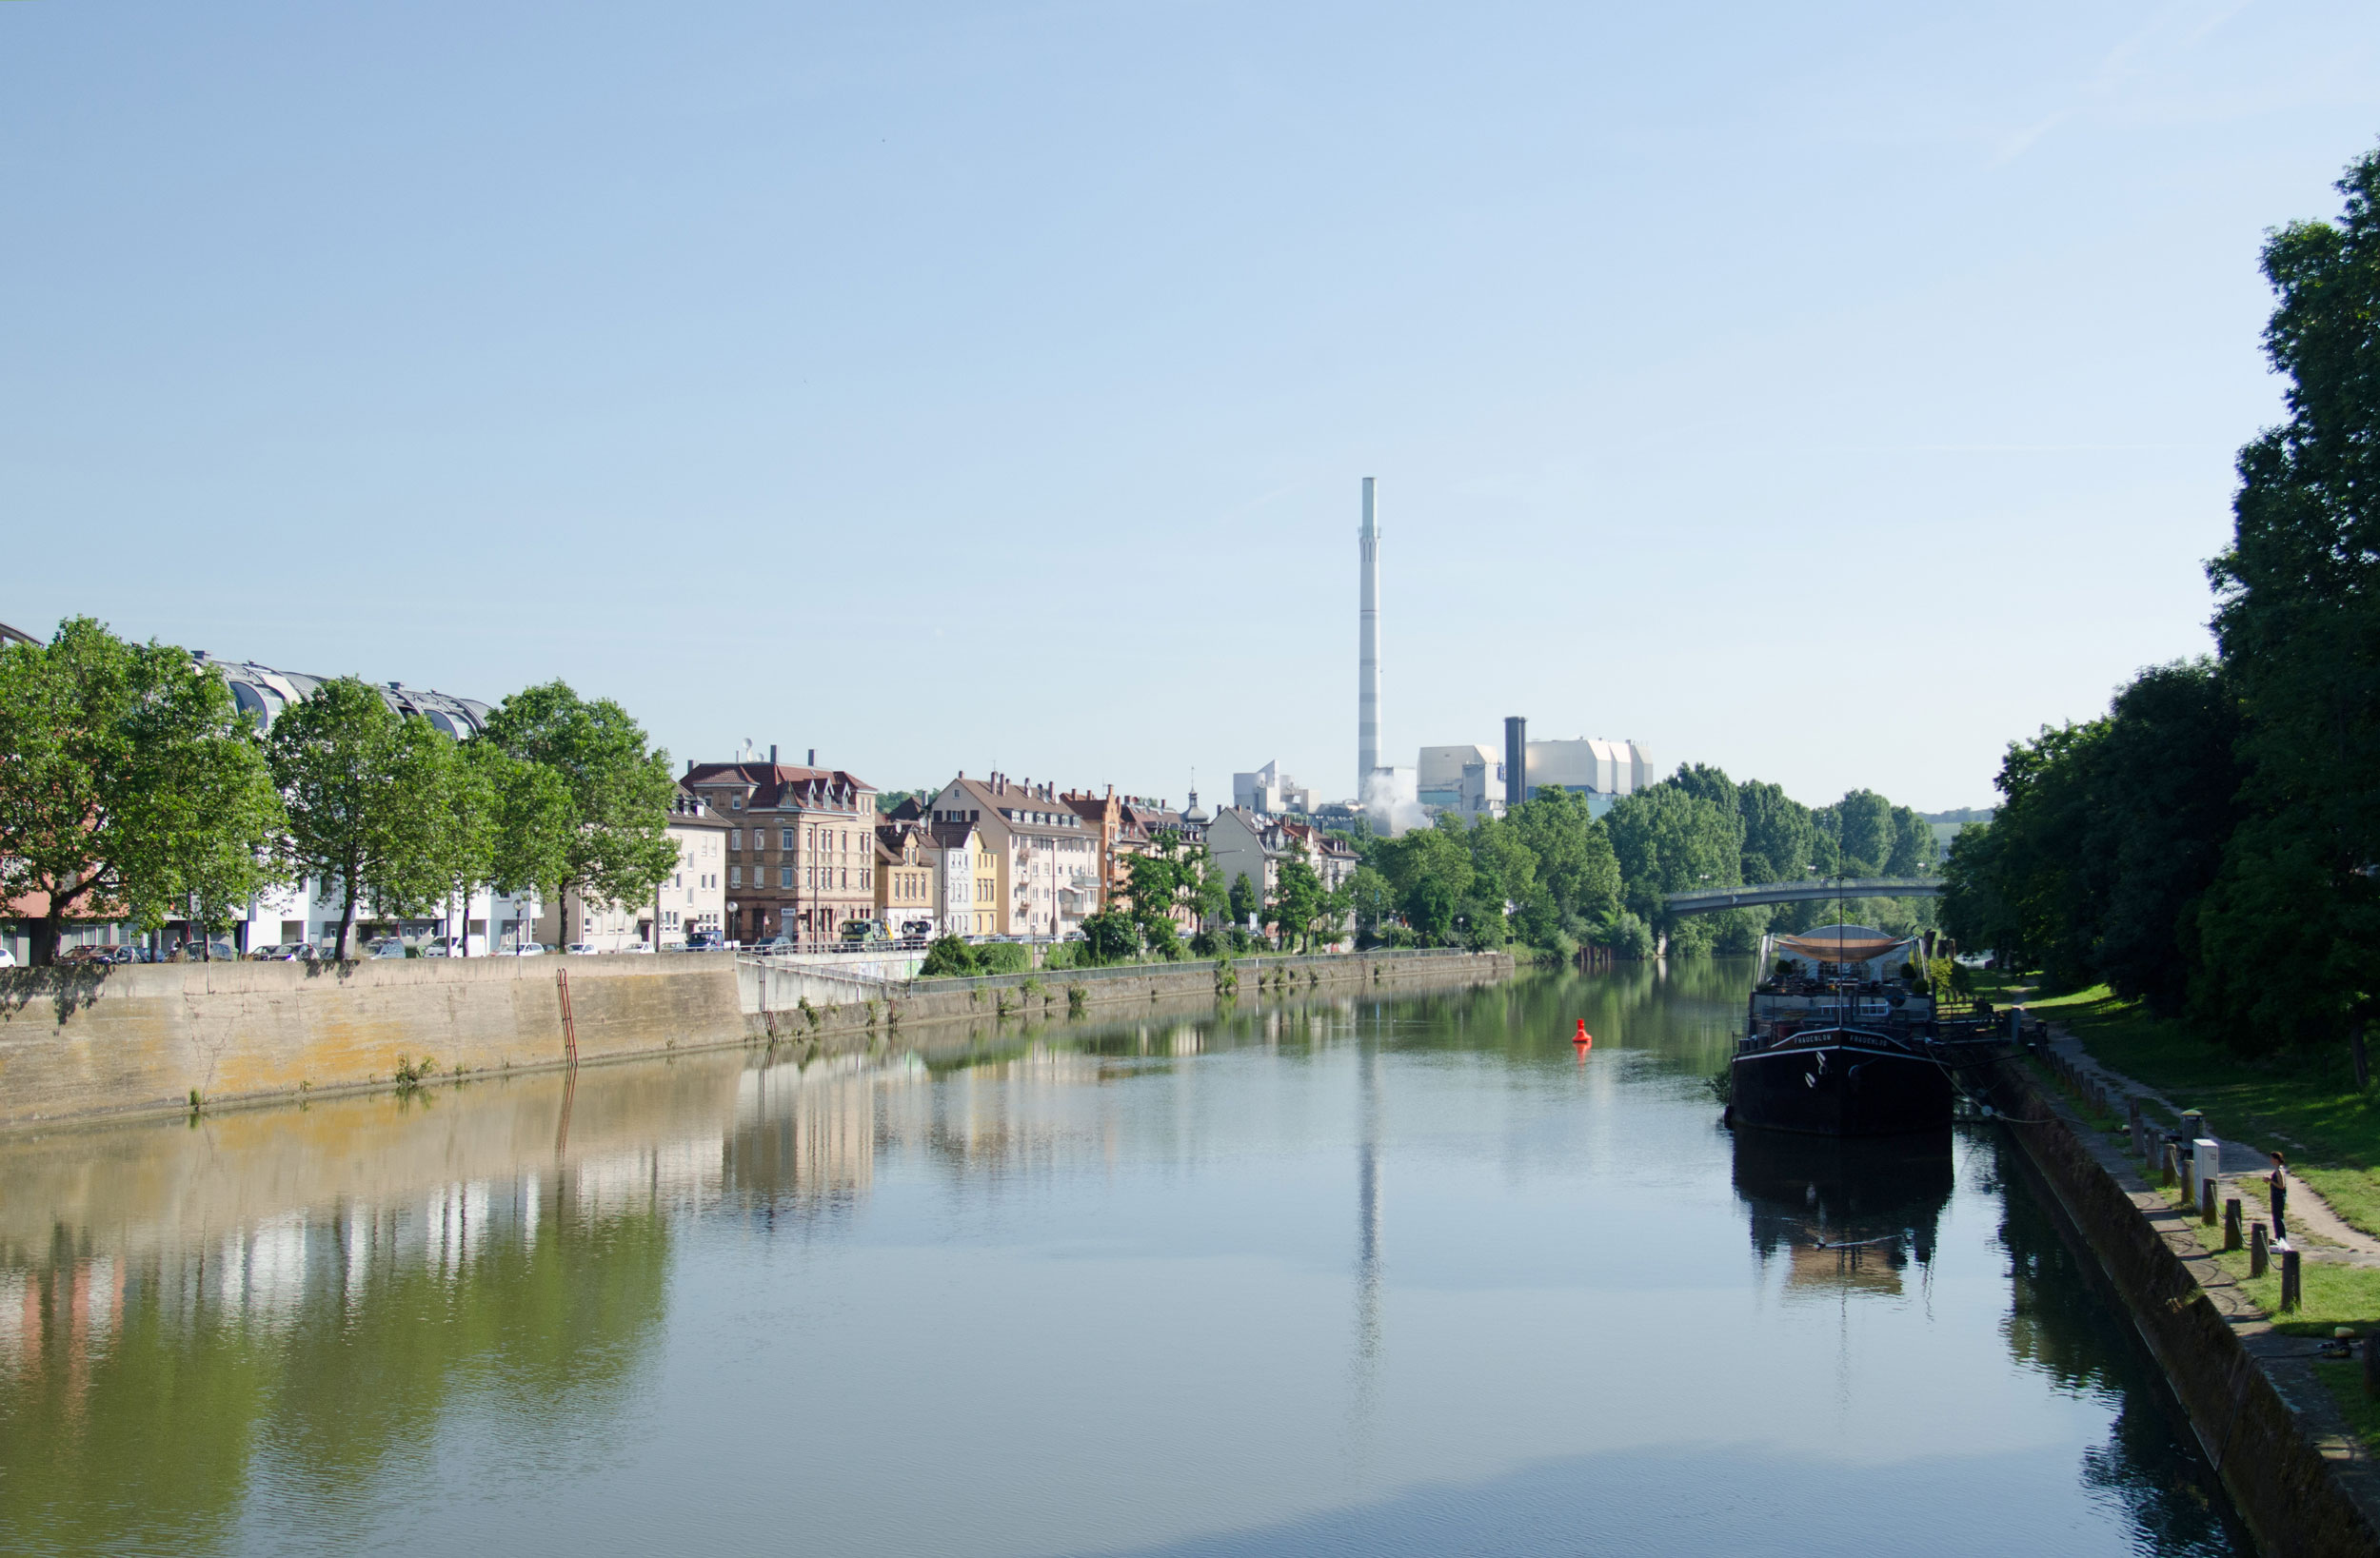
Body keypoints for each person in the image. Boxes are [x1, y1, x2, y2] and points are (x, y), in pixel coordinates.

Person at [2270, 1151, 2290, 1242]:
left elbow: (2281, 1186)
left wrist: (2270, 1180)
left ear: (2276, 1159)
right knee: (2276, 1217)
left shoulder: (2279, 1171)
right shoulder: (2279, 1169)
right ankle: (2279, 1237)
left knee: (2278, 1217)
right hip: (2277, 1196)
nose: (2271, 1160)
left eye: (2272, 1158)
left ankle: (2281, 1238)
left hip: (2278, 1196)